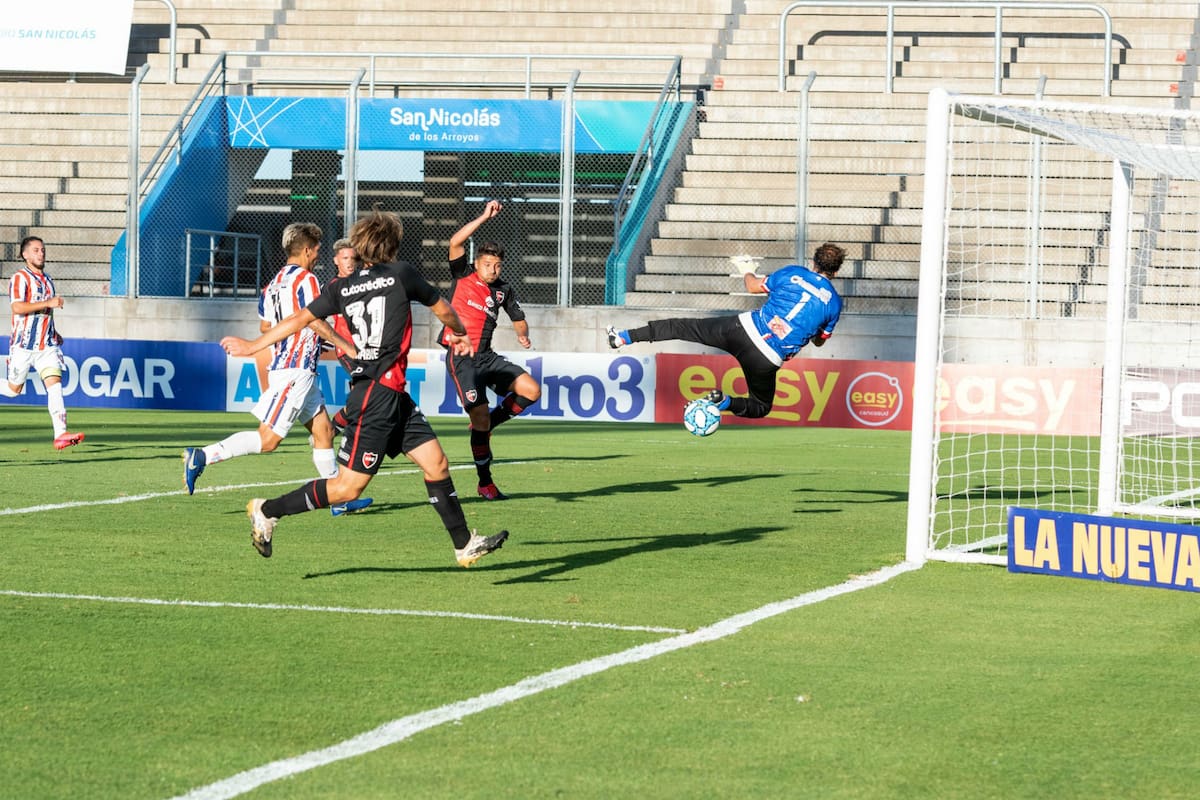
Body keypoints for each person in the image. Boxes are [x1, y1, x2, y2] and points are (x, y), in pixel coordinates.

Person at [220, 206, 509, 567]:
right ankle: (268, 510)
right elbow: (444, 310)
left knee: (436, 463)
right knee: (346, 488)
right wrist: (461, 332)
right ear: (392, 246)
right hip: (376, 394)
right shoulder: (402, 274)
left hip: (391, 394)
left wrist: (251, 346)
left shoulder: (342, 286)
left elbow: (297, 320)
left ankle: (464, 545)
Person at [182, 223, 373, 518]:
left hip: (292, 366)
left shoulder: (273, 284)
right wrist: (343, 345)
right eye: (317, 250)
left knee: (324, 432)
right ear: (307, 250)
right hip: (295, 369)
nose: (318, 256)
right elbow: (310, 319)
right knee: (268, 440)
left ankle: (339, 499)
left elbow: (265, 326)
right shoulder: (307, 280)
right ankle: (202, 456)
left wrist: (299, 336)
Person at [606, 243, 845, 419]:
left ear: (813, 261)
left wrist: (747, 270)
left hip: (742, 330)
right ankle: (723, 402)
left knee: (682, 327)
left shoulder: (795, 273)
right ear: (836, 271)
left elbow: (752, 287)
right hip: (766, 358)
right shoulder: (833, 302)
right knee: (761, 407)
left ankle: (622, 337)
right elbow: (820, 341)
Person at [440, 200, 541, 500]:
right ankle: (485, 482)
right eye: (488, 264)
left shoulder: (503, 290)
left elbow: (518, 318)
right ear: (477, 262)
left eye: (498, 265)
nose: (494, 269)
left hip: (488, 356)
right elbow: (455, 241)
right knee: (480, 415)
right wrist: (484, 216)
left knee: (531, 390)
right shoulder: (462, 275)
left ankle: (486, 425)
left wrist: (523, 336)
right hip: (462, 358)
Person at [1, 236, 85, 449]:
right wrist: (48, 302)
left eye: (43, 250)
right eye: (36, 250)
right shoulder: (20, 278)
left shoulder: (47, 280)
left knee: (55, 385)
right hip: (23, 345)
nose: (41, 253)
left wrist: (54, 333)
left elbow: (46, 313)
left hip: (47, 345)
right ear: (25, 254)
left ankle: (61, 434)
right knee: (13, 390)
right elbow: (17, 308)